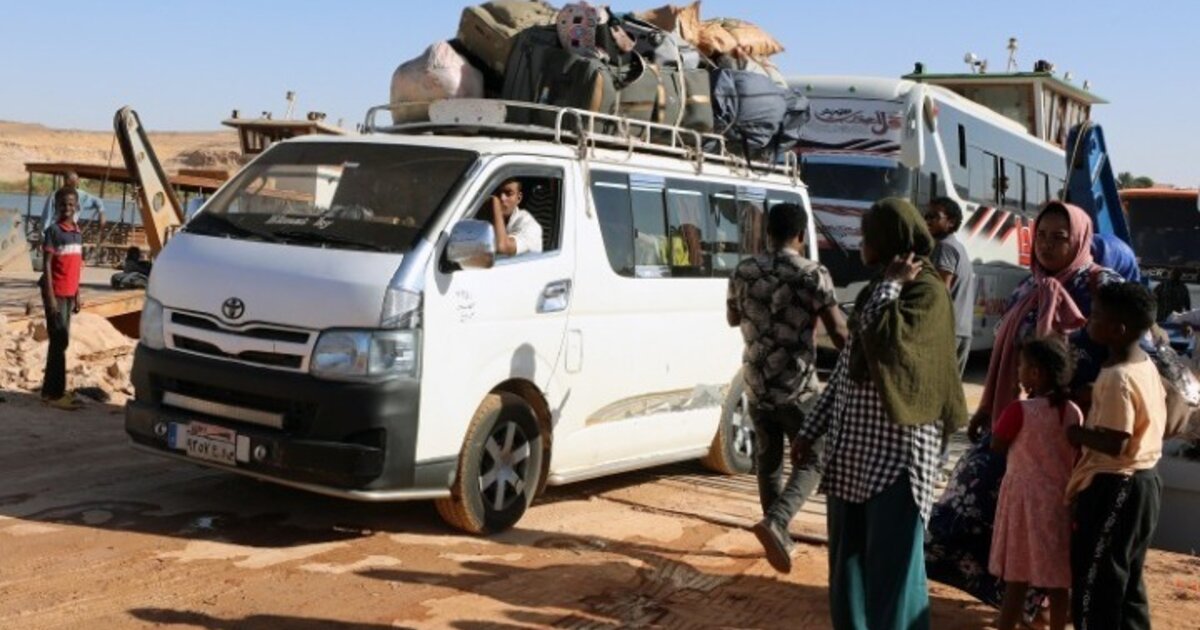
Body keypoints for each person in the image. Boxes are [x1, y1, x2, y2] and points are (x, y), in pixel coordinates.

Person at [925, 201, 1124, 616]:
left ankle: (1043, 604)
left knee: (1054, 524)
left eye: (1059, 237)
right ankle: (1012, 598)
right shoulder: (1027, 286)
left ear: (1080, 239)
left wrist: (1092, 394)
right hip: (1022, 420)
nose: (1047, 246)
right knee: (976, 496)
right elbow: (1006, 355)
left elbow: (1135, 346)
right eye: (1042, 236)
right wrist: (987, 410)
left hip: (1073, 433)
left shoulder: (1101, 286)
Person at [792, 198, 966, 630]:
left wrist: (891, 286)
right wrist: (810, 430)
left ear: (891, 238)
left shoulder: (927, 293)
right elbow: (847, 371)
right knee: (846, 570)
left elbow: (886, 344)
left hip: (898, 457)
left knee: (894, 574)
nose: (860, 244)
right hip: (852, 453)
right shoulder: (876, 289)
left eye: (867, 236)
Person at [726, 202, 848, 574]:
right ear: (800, 235)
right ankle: (777, 521)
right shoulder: (812, 273)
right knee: (816, 456)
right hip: (797, 388)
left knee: (769, 461)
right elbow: (838, 331)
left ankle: (777, 533)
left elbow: (732, 318)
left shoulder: (744, 269)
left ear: (768, 232)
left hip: (756, 382)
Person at [1066, 282, 1165, 629]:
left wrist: (1075, 433)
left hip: (1115, 485)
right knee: (1127, 578)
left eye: (1095, 316)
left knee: (1096, 580)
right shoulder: (1142, 364)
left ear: (1117, 330)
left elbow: (1115, 443)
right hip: (1145, 483)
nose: (1087, 321)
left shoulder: (1117, 377)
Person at [988, 337, 1083, 630]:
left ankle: (1006, 625)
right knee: (1057, 577)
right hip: (1058, 499)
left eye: (1021, 366)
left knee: (1017, 575)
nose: (1018, 370)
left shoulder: (1020, 410)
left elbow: (997, 444)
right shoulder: (1072, 411)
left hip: (1022, 501)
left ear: (1035, 373)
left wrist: (1013, 401)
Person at [40, 188, 85, 410]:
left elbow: (76, 266)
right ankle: (53, 394)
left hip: (69, 293)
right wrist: (50, 297)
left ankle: (52, 389)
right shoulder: (53, 231)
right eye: (63, 204)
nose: (67, 208)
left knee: (62, 341)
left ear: (76, 206)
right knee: (58, 341)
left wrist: (77, 293)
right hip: (56, 293)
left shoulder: (77, 232)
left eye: (70, 204)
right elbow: (47, 265)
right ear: (56, 206)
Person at [925, 196, 977, 376]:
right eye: (926, 215)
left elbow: (940, 291)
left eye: (934, 216)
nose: (928, 220)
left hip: (947, 332)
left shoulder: (944, 247)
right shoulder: (957, 246)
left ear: (951, 222)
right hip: (961, 331)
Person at [487, 178, 542, 257]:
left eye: (508, 193)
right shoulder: (488, 217)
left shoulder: (530, 225)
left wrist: (495, 201)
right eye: (497, 193)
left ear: (519, 198)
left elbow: (502, 247)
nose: (502, 198)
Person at [39, 171, 104, 232]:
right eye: (74, 180)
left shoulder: (81, 195)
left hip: (71, 230)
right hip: (56, 231)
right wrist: (44, 234)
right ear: (67, 181)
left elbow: (97, 201)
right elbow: (47, 217)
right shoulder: (55, 196)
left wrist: (101, 213)